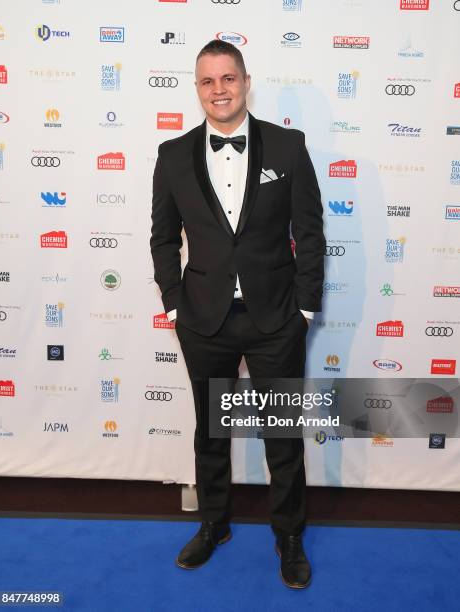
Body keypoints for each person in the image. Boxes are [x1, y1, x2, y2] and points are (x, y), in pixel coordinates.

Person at [150, 39, 325, 589]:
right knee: (210, 432)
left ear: (246, 82)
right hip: (204, 319)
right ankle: (213, 524)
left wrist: (304, 306)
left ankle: (289, 536)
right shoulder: (173, 155)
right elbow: (161, 239)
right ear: (197, 88)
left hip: (276, 316)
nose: (218, 90)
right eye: (207, 81)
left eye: (228, 78)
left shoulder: (289, 146)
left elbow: (310, 232)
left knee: (282, 433)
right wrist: (175, 303)